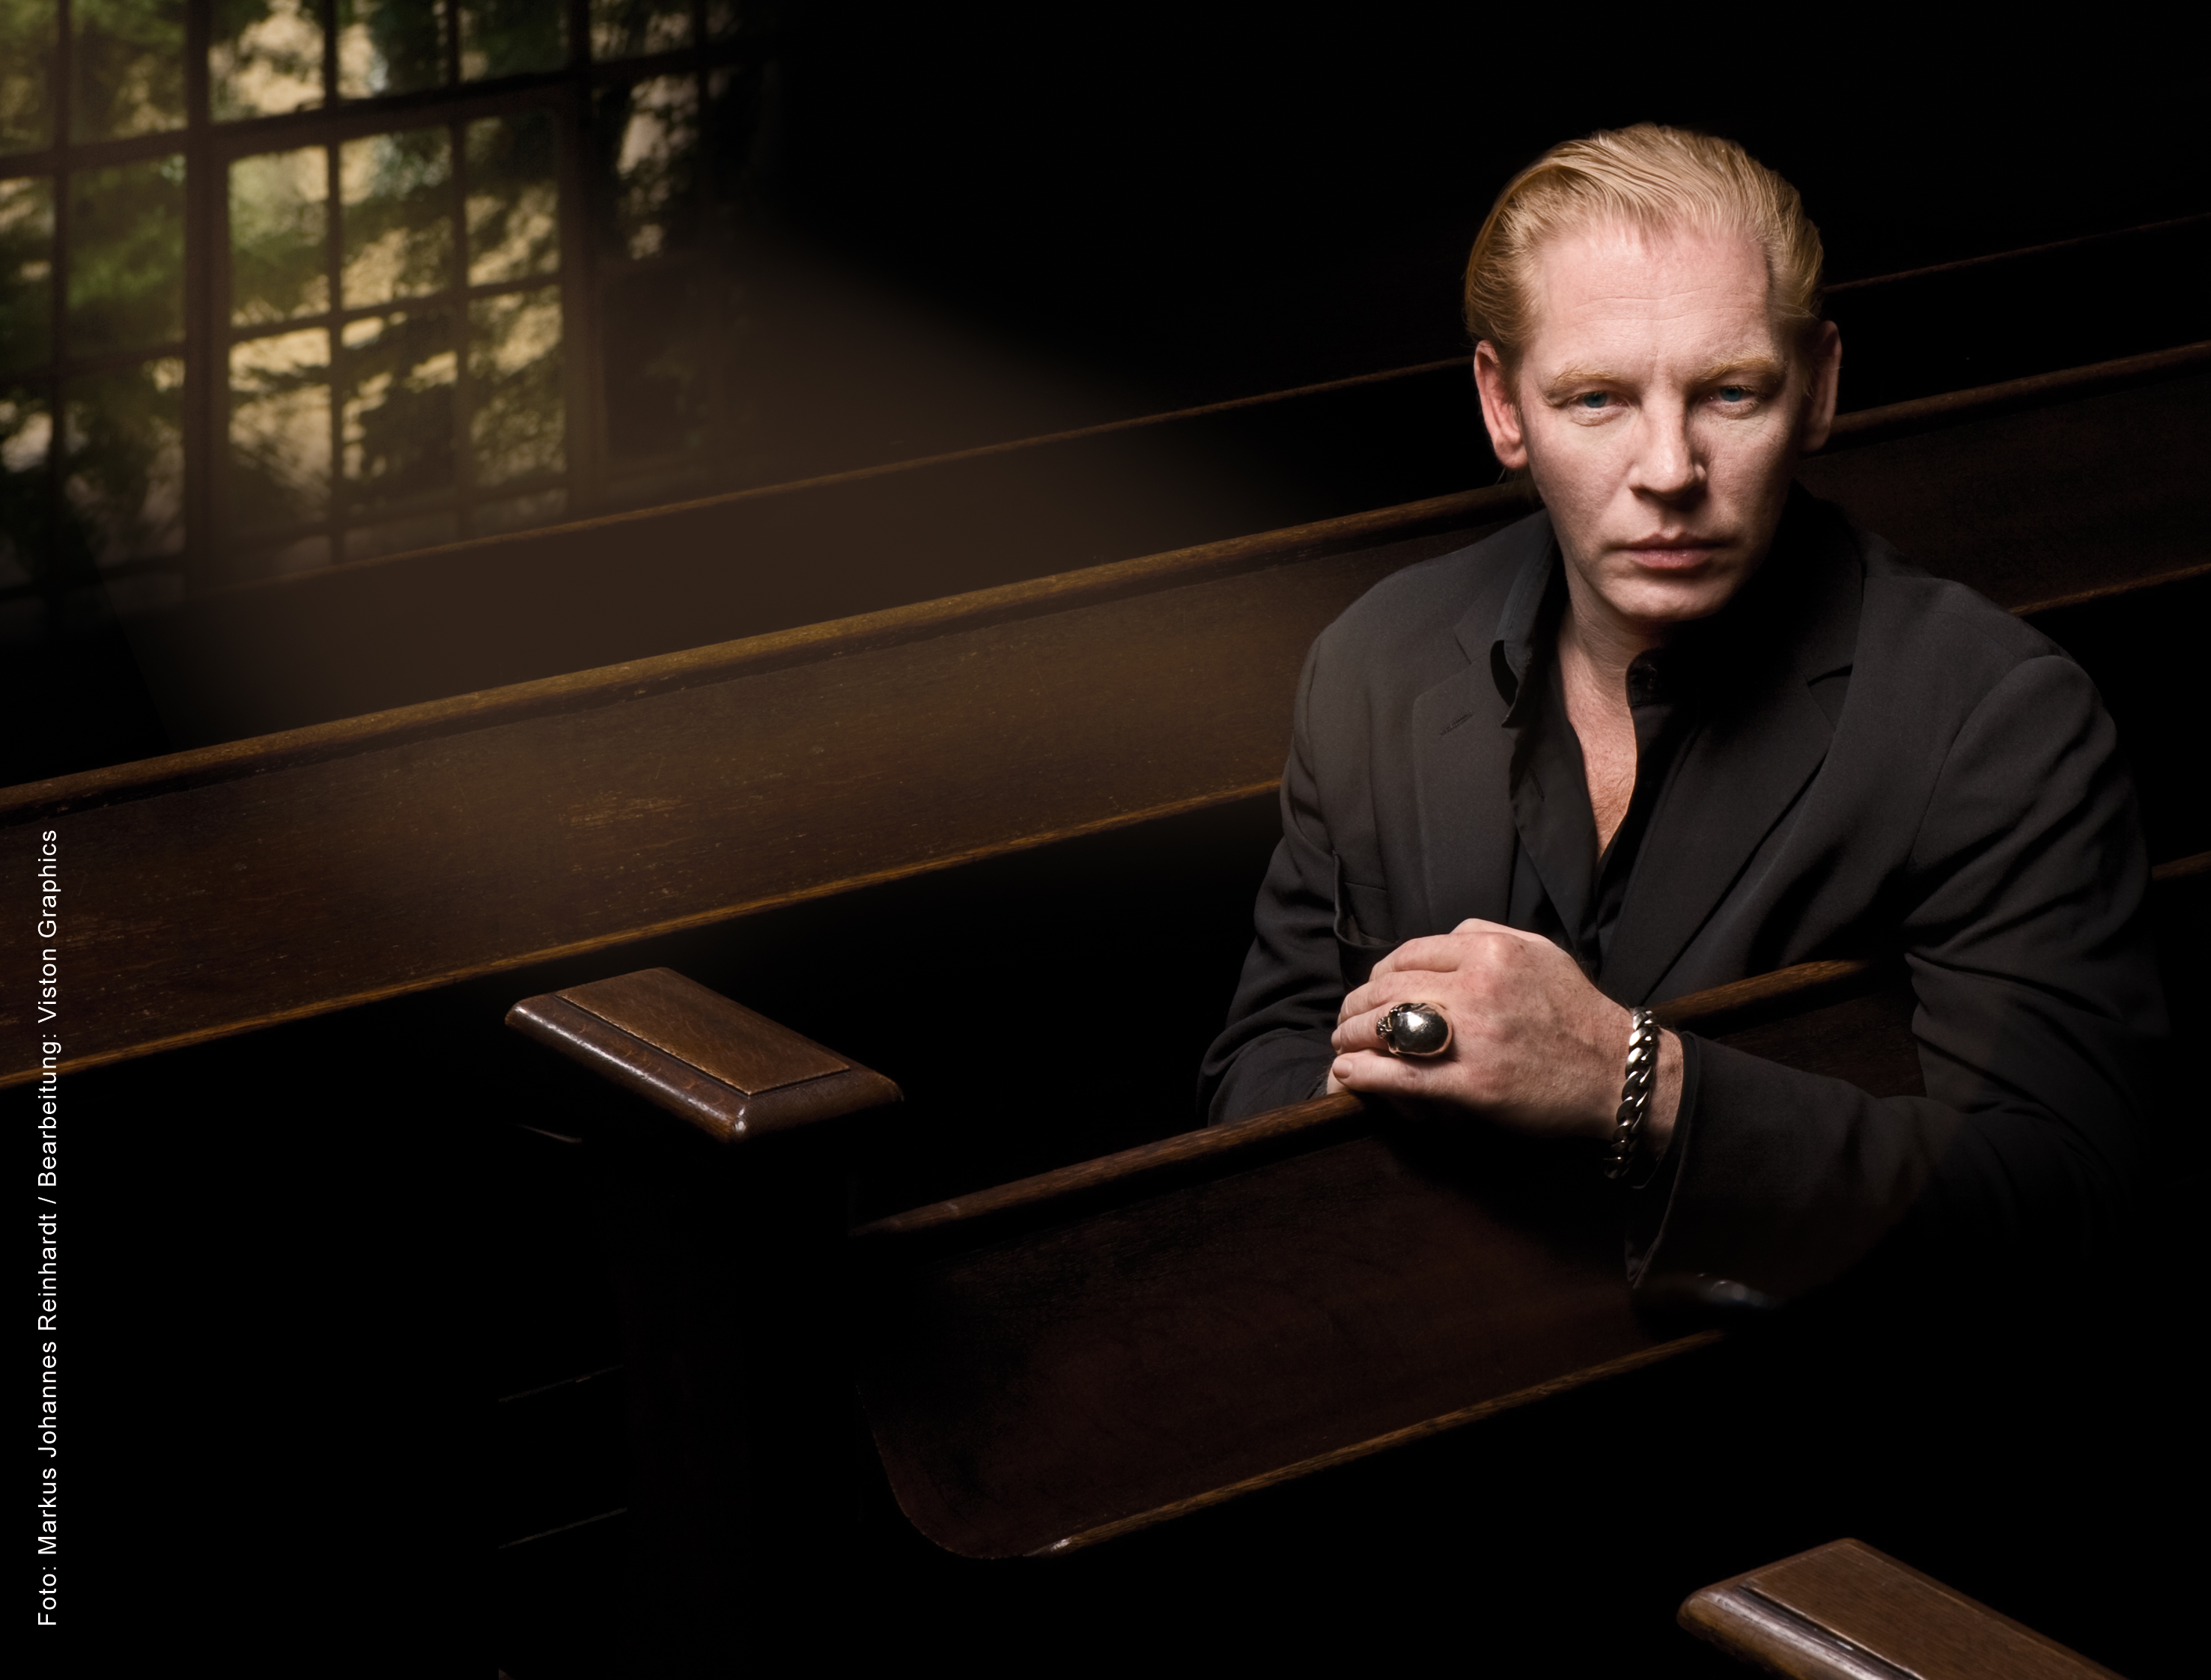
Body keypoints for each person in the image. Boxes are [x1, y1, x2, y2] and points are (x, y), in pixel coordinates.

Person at [1197, 125, 2162, 1306]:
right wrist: (1409, 1093)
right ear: (1504, 407)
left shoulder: (1996, 715)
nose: (1668, 467)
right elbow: (1259, 1064)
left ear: (1816, 388)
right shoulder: (1374, 659)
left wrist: (1627, 1078)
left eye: (1730, 392)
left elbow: (2070, 1197)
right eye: (1596, 398)